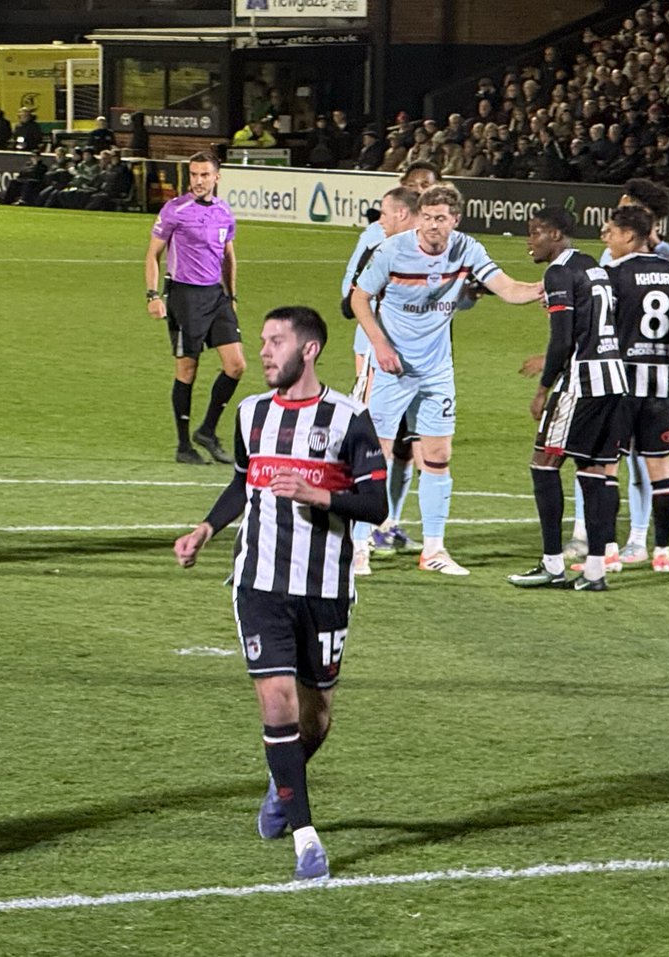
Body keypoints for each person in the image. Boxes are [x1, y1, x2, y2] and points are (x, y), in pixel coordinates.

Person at [173, 306, 387, 881]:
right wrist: (205, 528)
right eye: (263, 341)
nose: (264, 352)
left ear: (309, 350)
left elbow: (376, 505)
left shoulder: (350, 419)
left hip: (325, 588)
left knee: (315, 717)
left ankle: (281, 783)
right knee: (277, 703)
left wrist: (321, 497)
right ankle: (307, 837)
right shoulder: (251, 414)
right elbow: (244, 480)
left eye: (276, 342)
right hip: (259, 583)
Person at [350, 184, 543, 576]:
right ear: (418, 216)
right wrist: (379, 346)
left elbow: (505, 288)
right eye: (427, 217)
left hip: (436, 370)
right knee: (377, 455)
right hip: (391, 368)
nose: (432, 226)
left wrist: (546, 286)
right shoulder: (392, 250)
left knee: (438, 458)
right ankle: (357, 546)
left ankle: (434, 550)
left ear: (455, 220)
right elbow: (358, 298)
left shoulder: (466, 249)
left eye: (441, 218)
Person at [507, 208, 626, 592]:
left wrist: (544, 388)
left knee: (543, 464)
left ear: (556, 234)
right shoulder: (593, 266)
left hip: (582, 383)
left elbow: (562, 340)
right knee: (594, 473)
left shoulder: (558, 273)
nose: (530, 240)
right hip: (614, 381)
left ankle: (553, 564)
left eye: (536, 233)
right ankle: (594, 572)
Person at [339, 162, 440, 572]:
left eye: (429, 188)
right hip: (377, 353)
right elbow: (349, 300)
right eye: (416, 189)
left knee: (407, 447)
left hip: (423, 360)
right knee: (373, 441)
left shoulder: (439, 245)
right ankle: (357, 535)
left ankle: (386, 522)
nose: (423, 196)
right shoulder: (375, 239)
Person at [602, 204, 669, 573]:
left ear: (630, 236)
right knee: (661, 470)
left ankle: (609, 552)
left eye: (611, 232)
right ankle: (662, 553)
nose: (606, 238)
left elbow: (598, 328)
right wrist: (664, 341)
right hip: (660, 387)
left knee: (607, 468)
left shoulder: (612, 274)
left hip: (620, 385)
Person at [145, 151, 245, 465]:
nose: (198, 181)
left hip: (216, 296)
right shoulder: (175, 210)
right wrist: (152, 295)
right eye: (193, 175)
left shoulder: (224, 212)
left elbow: (228, 257)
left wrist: (231, 296)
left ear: (217, 177)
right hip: (184, 296)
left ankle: (207, 430)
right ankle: (183, 445)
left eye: (204, 175)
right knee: (188, 370)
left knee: (236, 365)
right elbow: (152, 255)